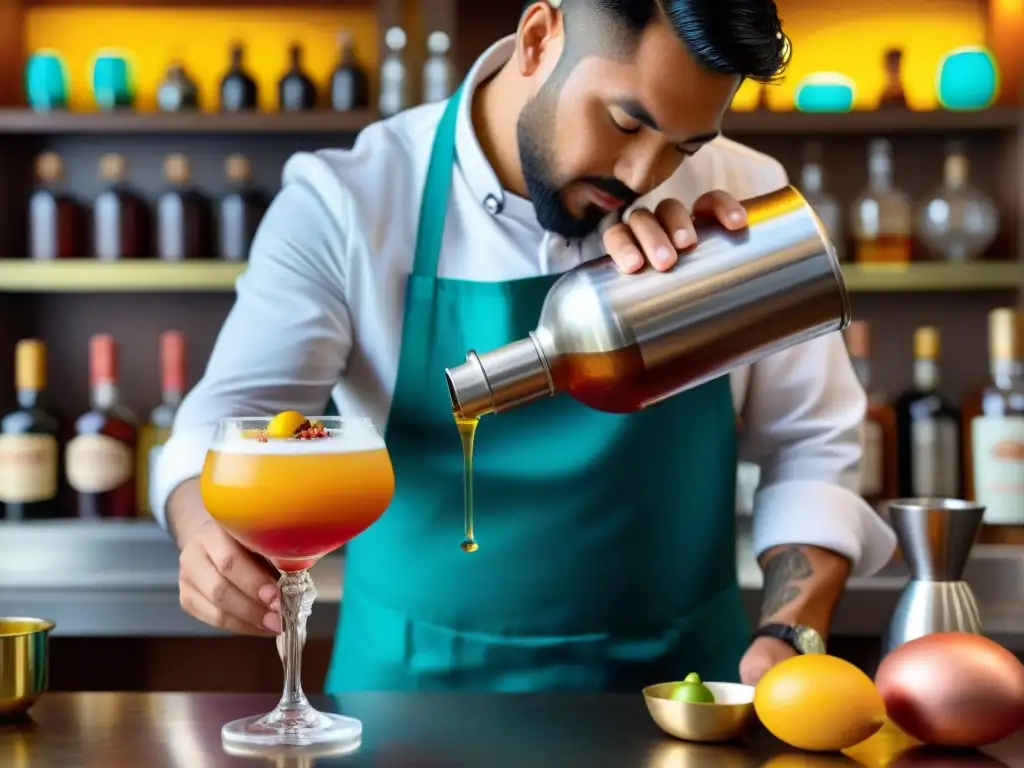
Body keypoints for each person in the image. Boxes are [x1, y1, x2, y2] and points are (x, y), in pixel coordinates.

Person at [154, 0, 896, 692]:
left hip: (681, 694)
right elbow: (233, 417)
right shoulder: (350, 200)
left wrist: (789, 632)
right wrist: (203, 528)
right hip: (414, 697)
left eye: (685, 145)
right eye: (625, 123)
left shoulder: (742, 198)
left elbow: (813, 443)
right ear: (540, 37)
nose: (642, 175)